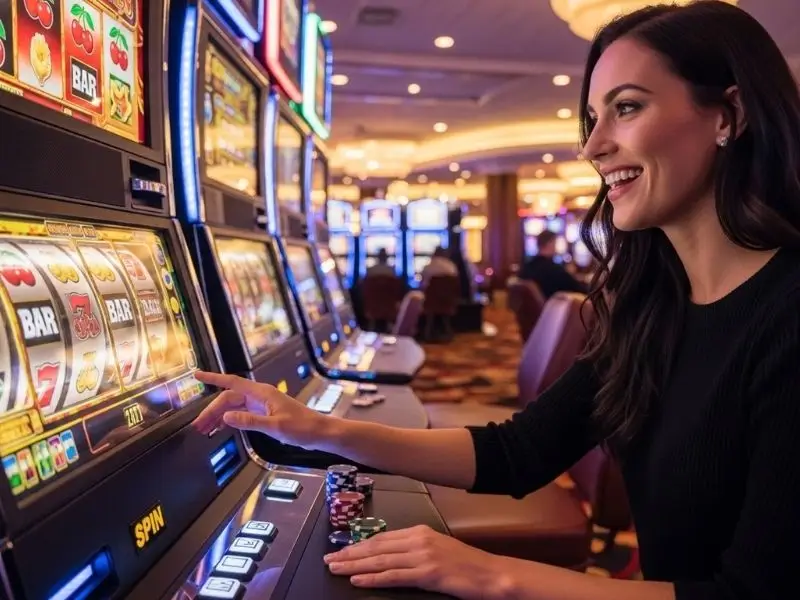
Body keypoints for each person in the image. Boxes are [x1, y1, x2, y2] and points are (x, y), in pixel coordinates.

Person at [192, 2, 800, 598]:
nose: (592, 148)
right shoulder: (653, 306)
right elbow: (521, 451)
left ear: (728, 115)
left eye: (628, 108)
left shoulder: (786, 317)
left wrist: (492, 574)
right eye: (594, 118)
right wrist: (320, 429)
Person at [518, 230, 588, 298]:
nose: (556, 247)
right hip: (554, 308)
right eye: (555, 243)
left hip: (537, 309)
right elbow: (577, 288)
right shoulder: (554, 269)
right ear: (550, 244)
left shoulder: (526, 267)